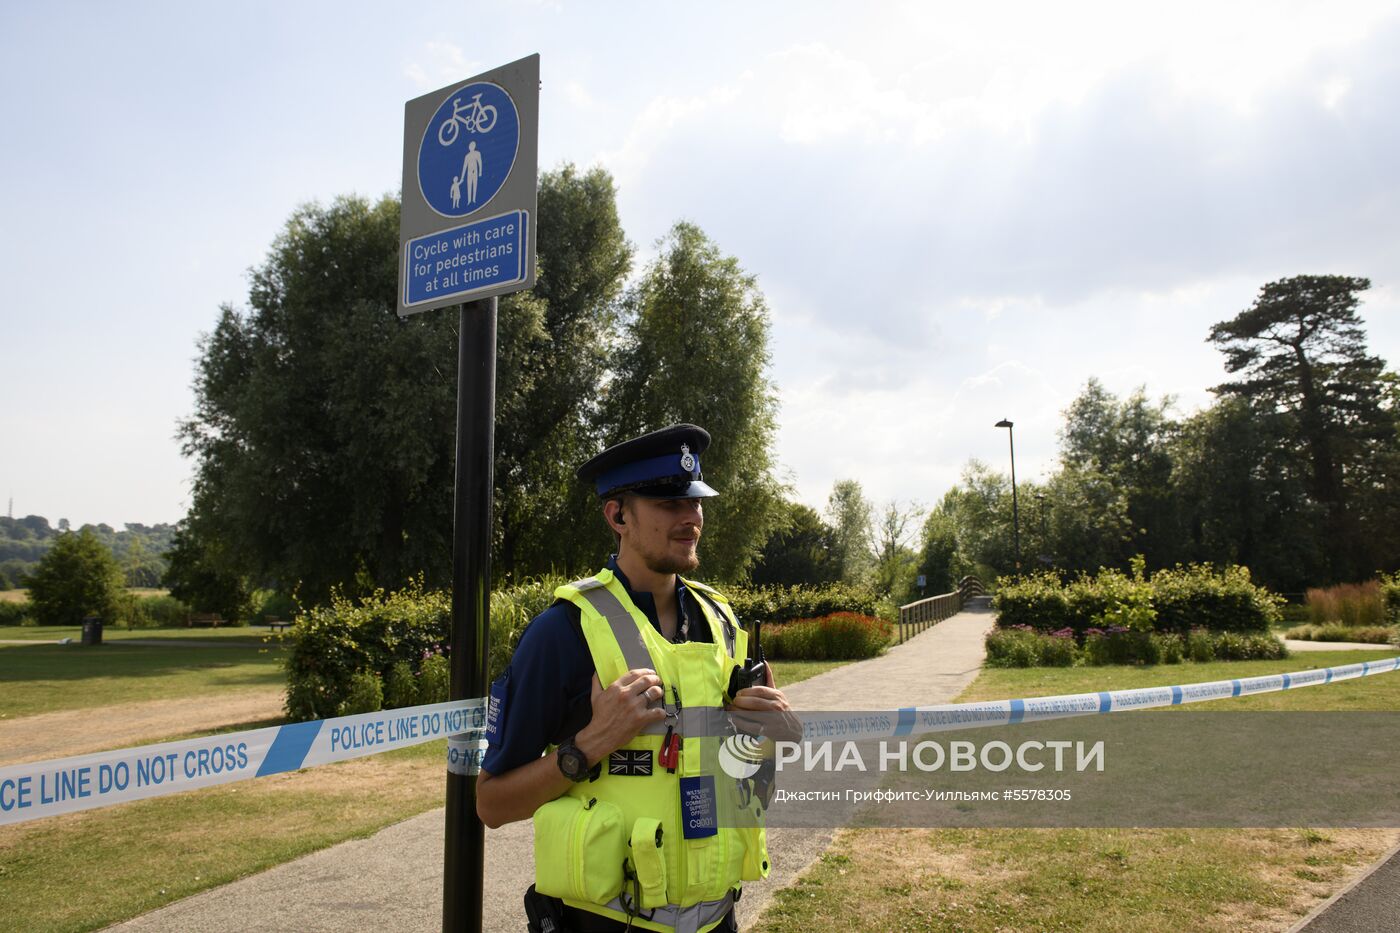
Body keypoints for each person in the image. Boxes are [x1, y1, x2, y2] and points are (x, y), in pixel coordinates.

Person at [478, 423, 791, 933]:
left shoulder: (722, 622)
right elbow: (491, 804)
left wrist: (769, 742)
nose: (691, 518)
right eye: (669, 503)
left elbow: (748, 782)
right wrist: (588, 746)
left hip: (720, 920)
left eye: (696, 502)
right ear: (617, 515)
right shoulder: (564, 630)